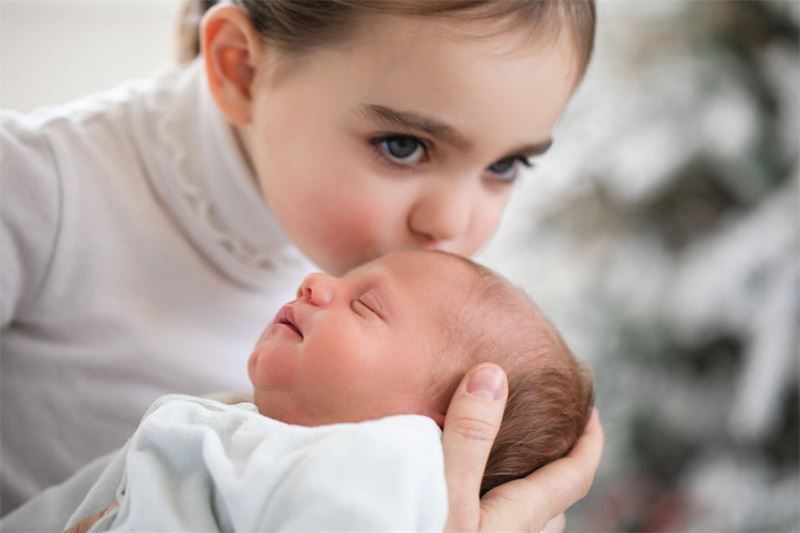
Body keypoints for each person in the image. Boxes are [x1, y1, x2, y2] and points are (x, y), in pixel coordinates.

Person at [0, 1, 604, 529]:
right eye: (403, 145)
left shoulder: (386, 271)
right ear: (240, 68)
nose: (453, 225)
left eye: (505, 167)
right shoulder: (31, 192)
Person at [7, 249, 592, 531]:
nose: (316, 282)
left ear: (431, 428)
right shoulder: (259, 435)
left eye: (365, 304)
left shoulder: (382, 473)